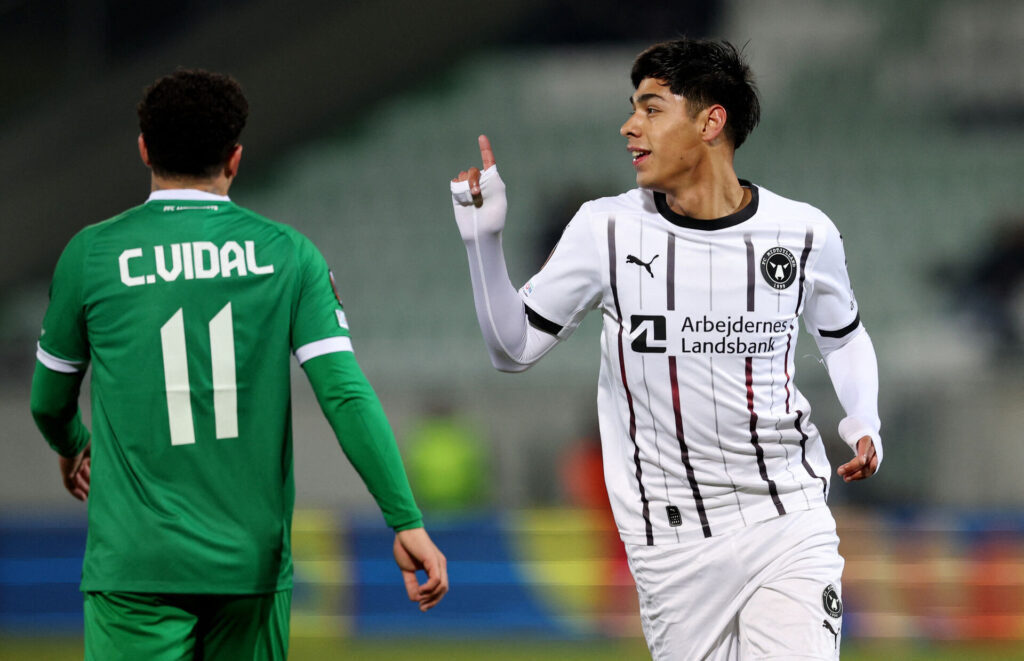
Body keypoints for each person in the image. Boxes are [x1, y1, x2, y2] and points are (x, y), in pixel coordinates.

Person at [450, 38, 880, 660]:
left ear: (711, 121)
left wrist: (863, 417)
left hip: (788, 515)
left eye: (652, 109)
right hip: (672, 544)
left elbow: (844, 337)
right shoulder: (606, 228)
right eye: (633, 109)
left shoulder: (804, 232)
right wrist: (482, 241)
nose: (629, 126)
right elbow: (512, 349)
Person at [30, 68, 447, 660]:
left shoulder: (90, 254)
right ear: (235, 157)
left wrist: (73, 445)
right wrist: (404, 520)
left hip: (134, 566)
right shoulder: (289, 255)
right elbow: (344, 394)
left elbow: (47, 401)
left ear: (144, 149)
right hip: (248, 566)